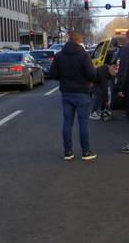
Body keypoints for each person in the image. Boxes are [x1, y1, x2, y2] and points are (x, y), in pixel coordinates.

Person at [49, 31, 97, 161]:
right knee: (83, 123)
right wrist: (89, 80)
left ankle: (68, 152)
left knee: (67, 123)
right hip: (82, 92)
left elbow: (52, 73)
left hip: (66, 92)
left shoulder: (59, 55)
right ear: (79, 41)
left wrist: (64, 78)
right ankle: (86, 152)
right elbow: (92, 73)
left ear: (68, 40)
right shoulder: (83, 55)